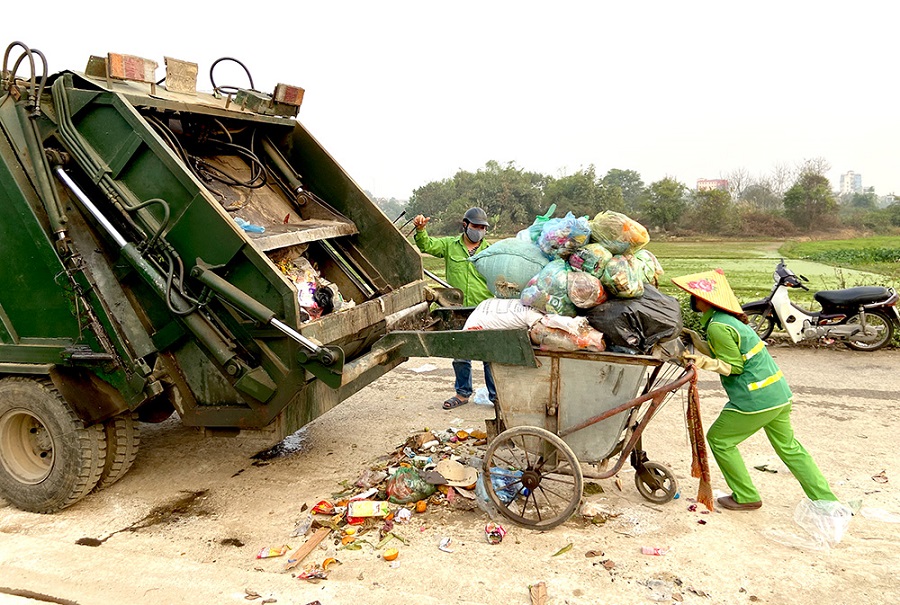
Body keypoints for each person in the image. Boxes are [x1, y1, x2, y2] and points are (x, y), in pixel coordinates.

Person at [672, 269, 838, 511]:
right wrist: (698, 342)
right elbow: (731, 352)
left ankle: (746, 495)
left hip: (755, 398)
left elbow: (734, 366)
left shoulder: (718, 326)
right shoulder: (727, 321)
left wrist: (698, 360)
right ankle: (827, 501)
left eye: (694, 296)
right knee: (791, 449)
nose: (691, 299)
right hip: (778, 395)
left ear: (705, 301)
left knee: (719, 439)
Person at [413, 207, 497, 410]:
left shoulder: (491, 251)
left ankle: (496, 396)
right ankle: (462, 393)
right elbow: (427, 245)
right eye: (475, 226)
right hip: (457, 309)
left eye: (482, 227)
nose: (479, 230)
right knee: (460, 353)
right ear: (465, 225)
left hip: (483, 308)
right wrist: (421, 230)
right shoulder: (450, 245)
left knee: (491, 355)